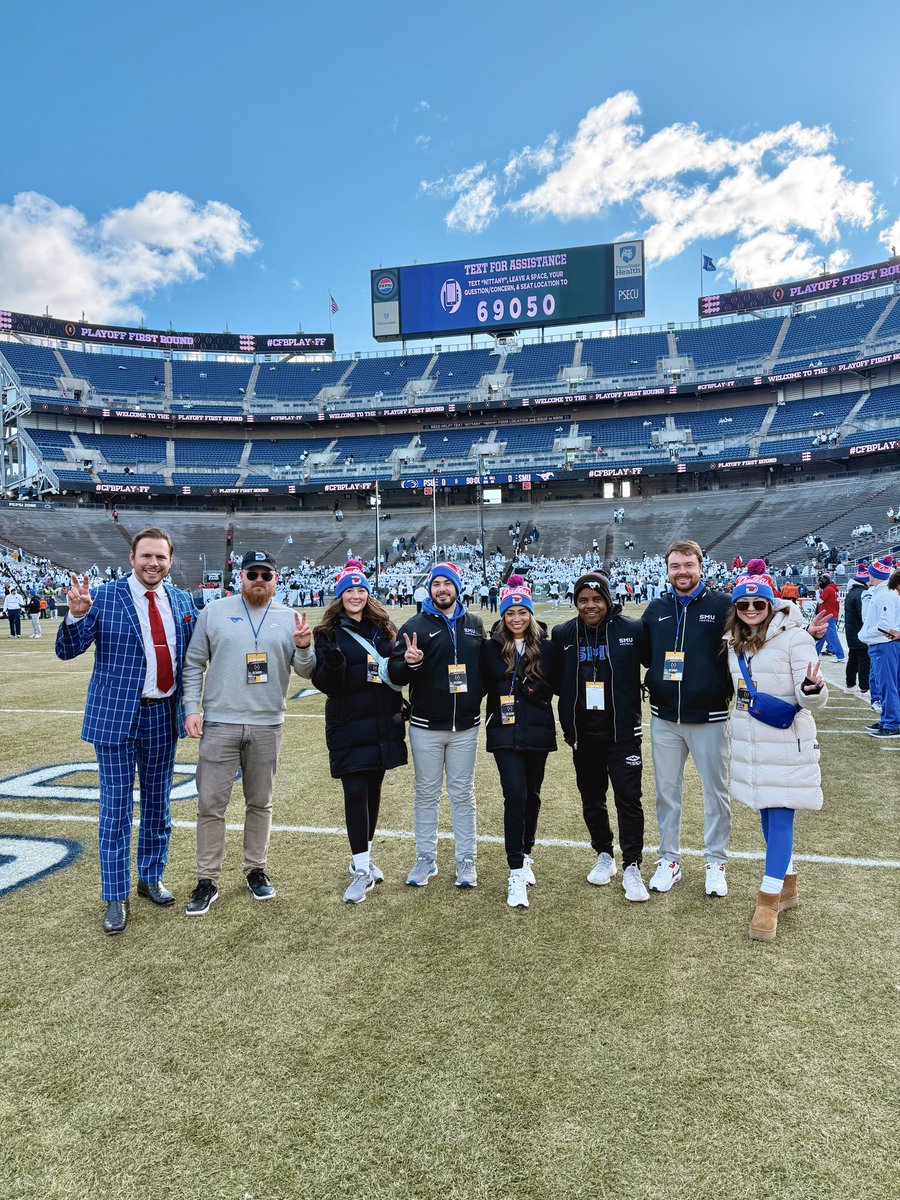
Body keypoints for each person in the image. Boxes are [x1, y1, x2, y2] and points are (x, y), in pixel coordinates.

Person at [55, 528, 198, 935]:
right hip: (115, 718)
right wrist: (76, 616)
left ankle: (150, 877)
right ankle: (115, 895)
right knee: (116, 808)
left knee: (158, 804)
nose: (153, 563)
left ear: (170, 561)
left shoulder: (182, 600)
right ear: (132, 558)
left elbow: (196, 655)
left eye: (160, 557)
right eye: (146, 556)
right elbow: (66, 650)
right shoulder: (103, 597)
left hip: (162, 715)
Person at [181, 550, 314, 915]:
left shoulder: (289, 617)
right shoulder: (214, 612)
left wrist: (304, 647)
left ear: (276, 579)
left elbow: (306, 671)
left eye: (265, 575)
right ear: (240, 577)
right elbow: (193, 663)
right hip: (220, 723)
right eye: (252, 574)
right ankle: (207, 879)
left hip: (267, 723)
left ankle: (256, 869)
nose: (259, 580)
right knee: (211, 805)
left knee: (260, 802)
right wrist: (191, 709)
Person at [723, 574, 828, 941]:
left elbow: (812, 695)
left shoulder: (796, 638)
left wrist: (812, 689)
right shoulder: (734, 642)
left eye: (759, 603)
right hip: (752, 742)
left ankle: (768, 900)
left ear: (771, 605)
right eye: (743, 604)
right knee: (767, 815)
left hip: (785, 740)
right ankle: (788, 884)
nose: (751, 609)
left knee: (781, 816)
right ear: (736, 608)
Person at [642, 539, 734, 898]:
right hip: (664, 717)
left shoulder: (723, 605)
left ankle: (716, 861)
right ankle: (669, 859)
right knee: (666, 792)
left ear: (700, 566)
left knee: (716, 793)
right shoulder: (657, 608)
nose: (682, 572)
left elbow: (754, 637)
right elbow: (646, 655)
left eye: (688, 565)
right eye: (675, 566)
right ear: (667, 570)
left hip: (710, 717)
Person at [312, 561, 407, 904]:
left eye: (361, 590)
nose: (355, 595)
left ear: (368, 594)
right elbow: (326, 685)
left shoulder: (385, 628)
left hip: (382, 720)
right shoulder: (326, 633)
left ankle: (362, 860)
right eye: (349, 590)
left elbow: (396, 671)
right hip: (348, 722)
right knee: (354, 791)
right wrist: (334, 664)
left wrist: (408, 664)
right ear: (340, 596)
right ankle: (361, 869)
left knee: (373, 790)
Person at [552, 571, 650, 902]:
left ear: (608, 600)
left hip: (622, 732)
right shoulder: (563, 633)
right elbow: (555, 679)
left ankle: (632, 865)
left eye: (596, 599)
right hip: (584, 733)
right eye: (583, 600)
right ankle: (604, 854)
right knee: (592, 797)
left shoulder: (632, 629)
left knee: (628, 796)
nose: (590, 605)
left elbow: (654, 661)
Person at [388, 562, 484, 888]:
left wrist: (474, 700)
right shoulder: (414, 625)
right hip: (425, 727)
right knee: (427, 795)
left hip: (465, 728)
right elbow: (396, 673)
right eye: (436, 584)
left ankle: (466, 861)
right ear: (429, 589)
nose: (442, 589)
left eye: (447, 583)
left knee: (463, 795)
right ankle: (425, 859)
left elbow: (483, 671)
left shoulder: (474, 624)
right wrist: (410, 664)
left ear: (457, 587)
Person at [482, 577, 558, 909]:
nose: (516, 618)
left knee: (532, 795)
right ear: (502, 615)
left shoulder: (547, 648)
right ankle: (514, 872)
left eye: (522, 612)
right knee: (515, 794)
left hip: (537, 731)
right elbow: (478, 685)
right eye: (510, 613)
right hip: (504, 732)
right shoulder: (490, 648)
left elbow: (557, 685)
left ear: (530, 613)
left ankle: (526, 854)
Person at [858, 560, 900, 739]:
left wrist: (864, 635)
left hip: (884, 645)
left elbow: (885, 625)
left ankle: (892, 723)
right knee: (888, 685)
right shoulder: (883, 592)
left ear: (873, 574)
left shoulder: (885, 595)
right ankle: (888, 720)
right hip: (884, 644)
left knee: (887, 685)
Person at [844, 563, 870, 696]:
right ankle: (864, 688)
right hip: (860, 632)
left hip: (852, 632)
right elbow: (863, 616)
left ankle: (850, 684)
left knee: (853, 659)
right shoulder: (861, 593)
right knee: (864, 661)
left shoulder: (852, 592)